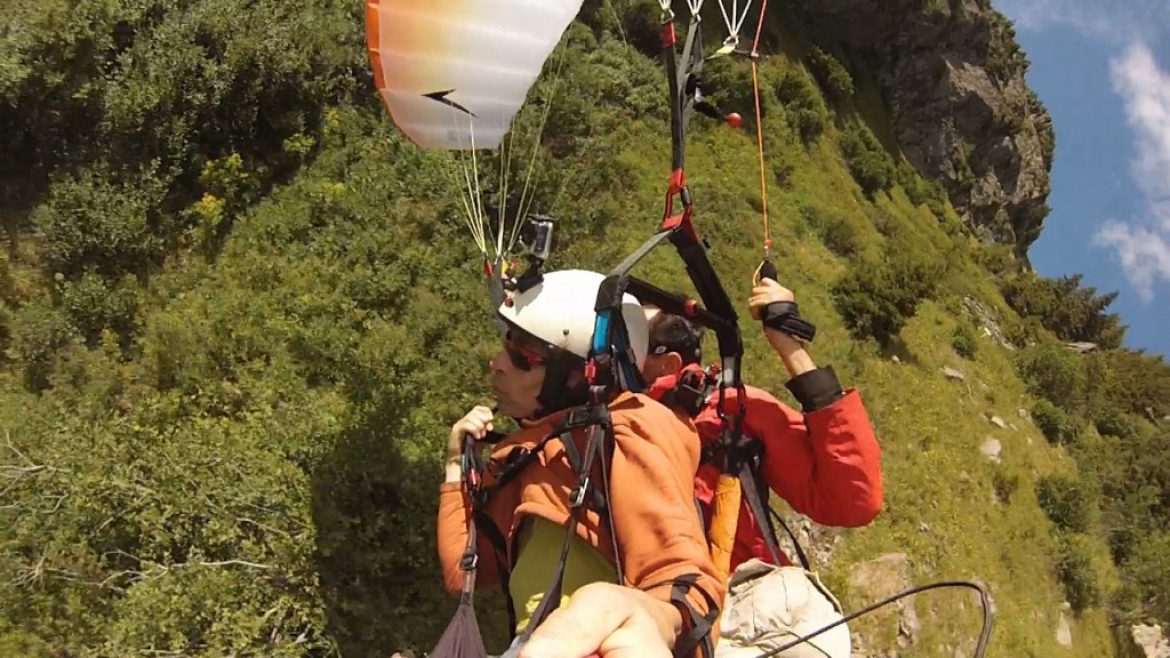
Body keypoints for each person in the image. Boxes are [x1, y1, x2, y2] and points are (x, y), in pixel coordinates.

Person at [437, 269, 724, 657]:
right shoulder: (530, 454)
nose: (497, 363)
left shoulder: (626, 429)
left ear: (576, 376)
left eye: (524, 356)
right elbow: (464, 571)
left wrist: (654, 621)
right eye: (507, 345)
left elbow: (679, 573)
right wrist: (456, 463)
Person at [643, 277, 883, 572]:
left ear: (667, 362)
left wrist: (789, 347)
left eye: (630, 340)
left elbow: (853, 500)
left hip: (736, 588)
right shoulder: (601, 416)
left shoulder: (730, 410)